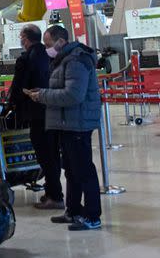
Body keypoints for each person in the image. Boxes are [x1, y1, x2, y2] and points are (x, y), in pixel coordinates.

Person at [26, 26, 103, 231]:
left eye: (49, 44)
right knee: (71, 170)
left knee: (84, 170)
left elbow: (73, 95)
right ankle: (73, 210)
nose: (47, 48)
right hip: (67, 123)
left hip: (78, 123)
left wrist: (42, 95)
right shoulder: (62, 60)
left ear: (61, 41)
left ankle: (93, 216)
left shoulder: (76, 60)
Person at [9, 24, 63, 210]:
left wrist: (12, 105)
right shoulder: (50, 56)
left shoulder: (27, 58)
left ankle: (55, 196)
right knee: (52, 154)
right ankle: (52, 192)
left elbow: (18, 87)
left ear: (25, 38)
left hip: (36, 112)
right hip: (53, 110)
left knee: (45, 155)